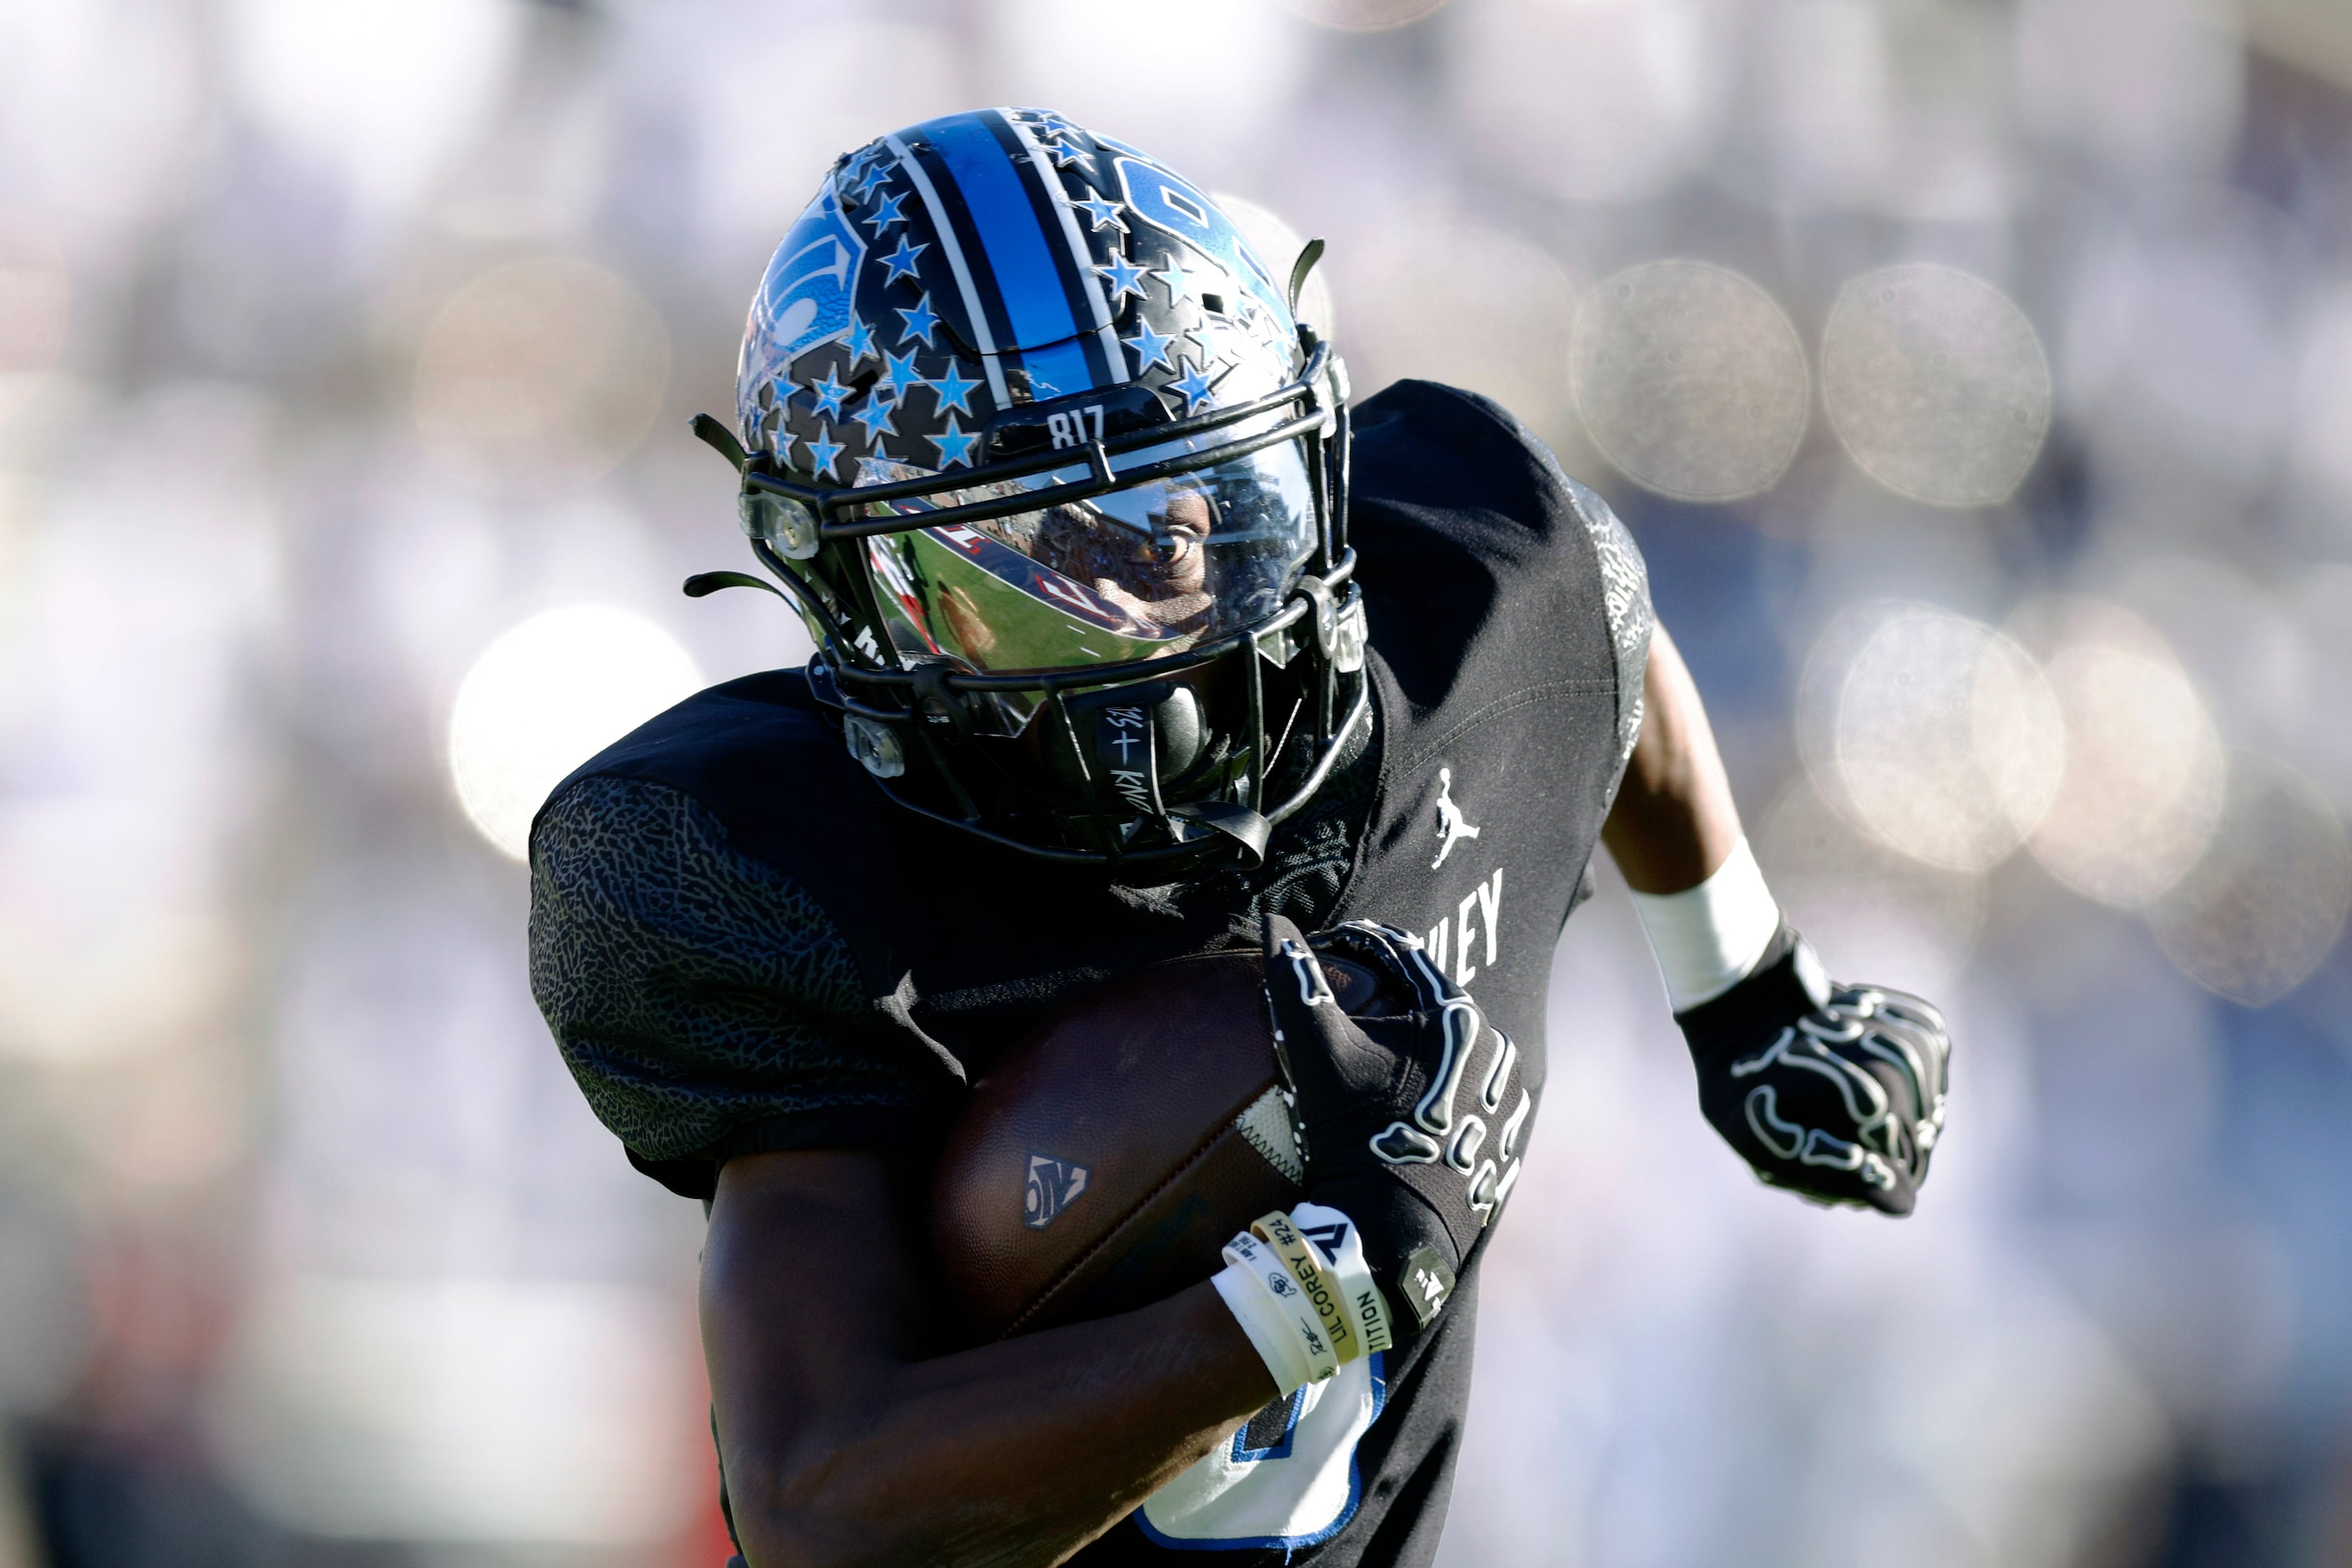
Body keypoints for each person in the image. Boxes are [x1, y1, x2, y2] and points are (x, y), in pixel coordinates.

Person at [528, 108, 1951, 1568]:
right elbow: (822, 1507)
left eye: (1177, 514)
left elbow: (1601, 620)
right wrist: (1292, 1308)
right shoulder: (785, 877)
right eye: (1032, 565)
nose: (1146, 622)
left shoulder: (1477, 605)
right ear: (848, 589)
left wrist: (1751, 988)